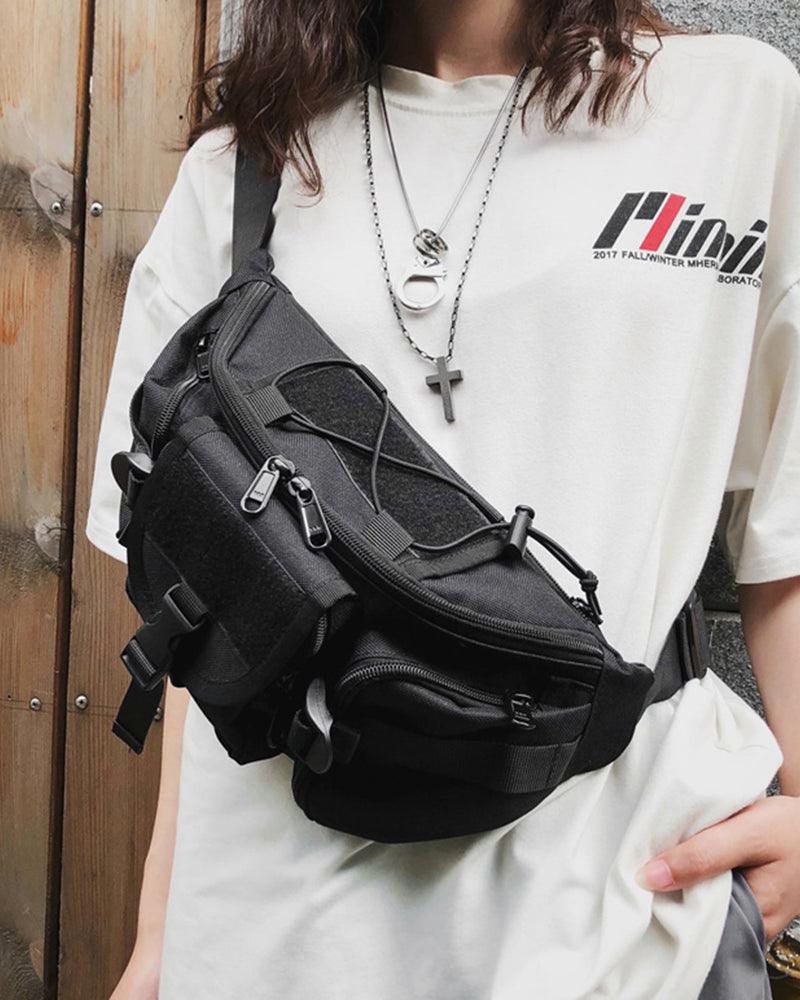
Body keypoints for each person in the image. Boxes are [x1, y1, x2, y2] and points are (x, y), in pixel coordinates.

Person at [86, 1, 800, 997]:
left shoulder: (732, 109)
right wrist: (160, 940)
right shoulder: (245, 165)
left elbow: (784, 539)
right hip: (273, 929)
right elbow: (207, 609)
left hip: (615, 920)